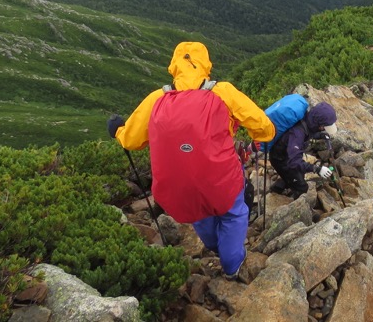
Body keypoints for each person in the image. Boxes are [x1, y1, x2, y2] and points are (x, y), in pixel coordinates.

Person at [107, 41, 275, 280]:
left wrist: (118, 131)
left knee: (198, 210)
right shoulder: (222, 91)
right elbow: (262, 125)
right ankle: (232, 265)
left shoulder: (157, 98)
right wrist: (263, 136)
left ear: (174, 66)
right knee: (233, 212)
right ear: (206, 64)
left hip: (177, 186)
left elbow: (131, 141)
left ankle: (216, 245)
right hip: (221, 178)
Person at [268, 101, 338, 199]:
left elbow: (309, 133)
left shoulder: (307, 120)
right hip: (281, 159)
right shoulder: (297, 133)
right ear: (318, 123)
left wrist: (320, 135)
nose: (324, 129)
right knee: (302, 187)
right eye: (324, 127)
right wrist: (316, 169)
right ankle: (289, 203)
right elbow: (294, 162)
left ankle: (282, 185)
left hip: (285, 154)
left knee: (298, 173)